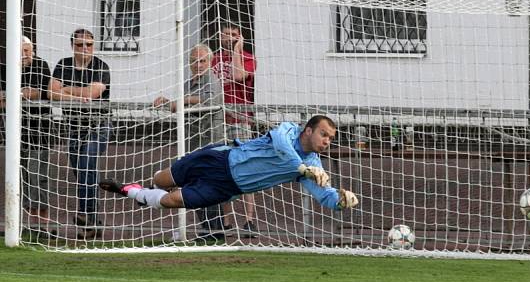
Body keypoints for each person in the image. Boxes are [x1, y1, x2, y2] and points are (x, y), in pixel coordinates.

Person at [99, 115, 359, 221]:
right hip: (221, 158)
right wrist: (303, 169)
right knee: (163, 179)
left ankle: (131, 192)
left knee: (171, 200)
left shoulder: (314, 165)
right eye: (324, 134)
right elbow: (281, 147)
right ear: (308, 130)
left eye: (331, 139)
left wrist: (340, 201)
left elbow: (324, 195)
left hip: (227, 186)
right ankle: (147, 187)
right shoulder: (288, 130)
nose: (327, 141)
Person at [153, 43, 228, 239]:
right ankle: (206, 228)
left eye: (202, 61)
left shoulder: (211, 81)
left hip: (211, 143)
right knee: (196, 185)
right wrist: (168, 102)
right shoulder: (189, 83)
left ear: (210, 62)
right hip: (194, 143)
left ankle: (215, 229)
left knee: (210, 186)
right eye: (194, 61)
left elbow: (210, 101)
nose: (198, 64)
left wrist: (184, 100)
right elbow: (180, 106)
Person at [49, 29, 111, 237]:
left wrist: (66, 90)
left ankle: (84, 215)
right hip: (74, 126)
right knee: (83, 173)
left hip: (98, 125)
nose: (85, 49)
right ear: (72, 46)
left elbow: (93, 93)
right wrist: (77, 95)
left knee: (86, 163)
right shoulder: (63, 64)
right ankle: (93, 223)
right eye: (80, 45)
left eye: (89, 45)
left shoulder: (101, 66)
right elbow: (51, 92)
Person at [0, 36, 53, 226]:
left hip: (40, 131)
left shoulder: (41, 65)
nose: (24, 55)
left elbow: (39, 92)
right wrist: (20, 94)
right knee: (20, 176)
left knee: (38, 175)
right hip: (15, 131)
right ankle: (26, 222)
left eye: (27, 51)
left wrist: (14, 95)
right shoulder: (5, 68)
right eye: (20, 51)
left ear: (33, 50)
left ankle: (42, 222)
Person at [212, 23, 258, 234]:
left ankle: (249, 219)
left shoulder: (247, 57)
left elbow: (239, 76)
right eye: (226, 34)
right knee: (222, 168)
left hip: (240, 119)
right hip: (218, 120)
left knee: (246, 168)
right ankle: (226, 219)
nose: (229, 38)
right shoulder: (213, 58)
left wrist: (238, 50)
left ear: (240, 37)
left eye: (234, 35)